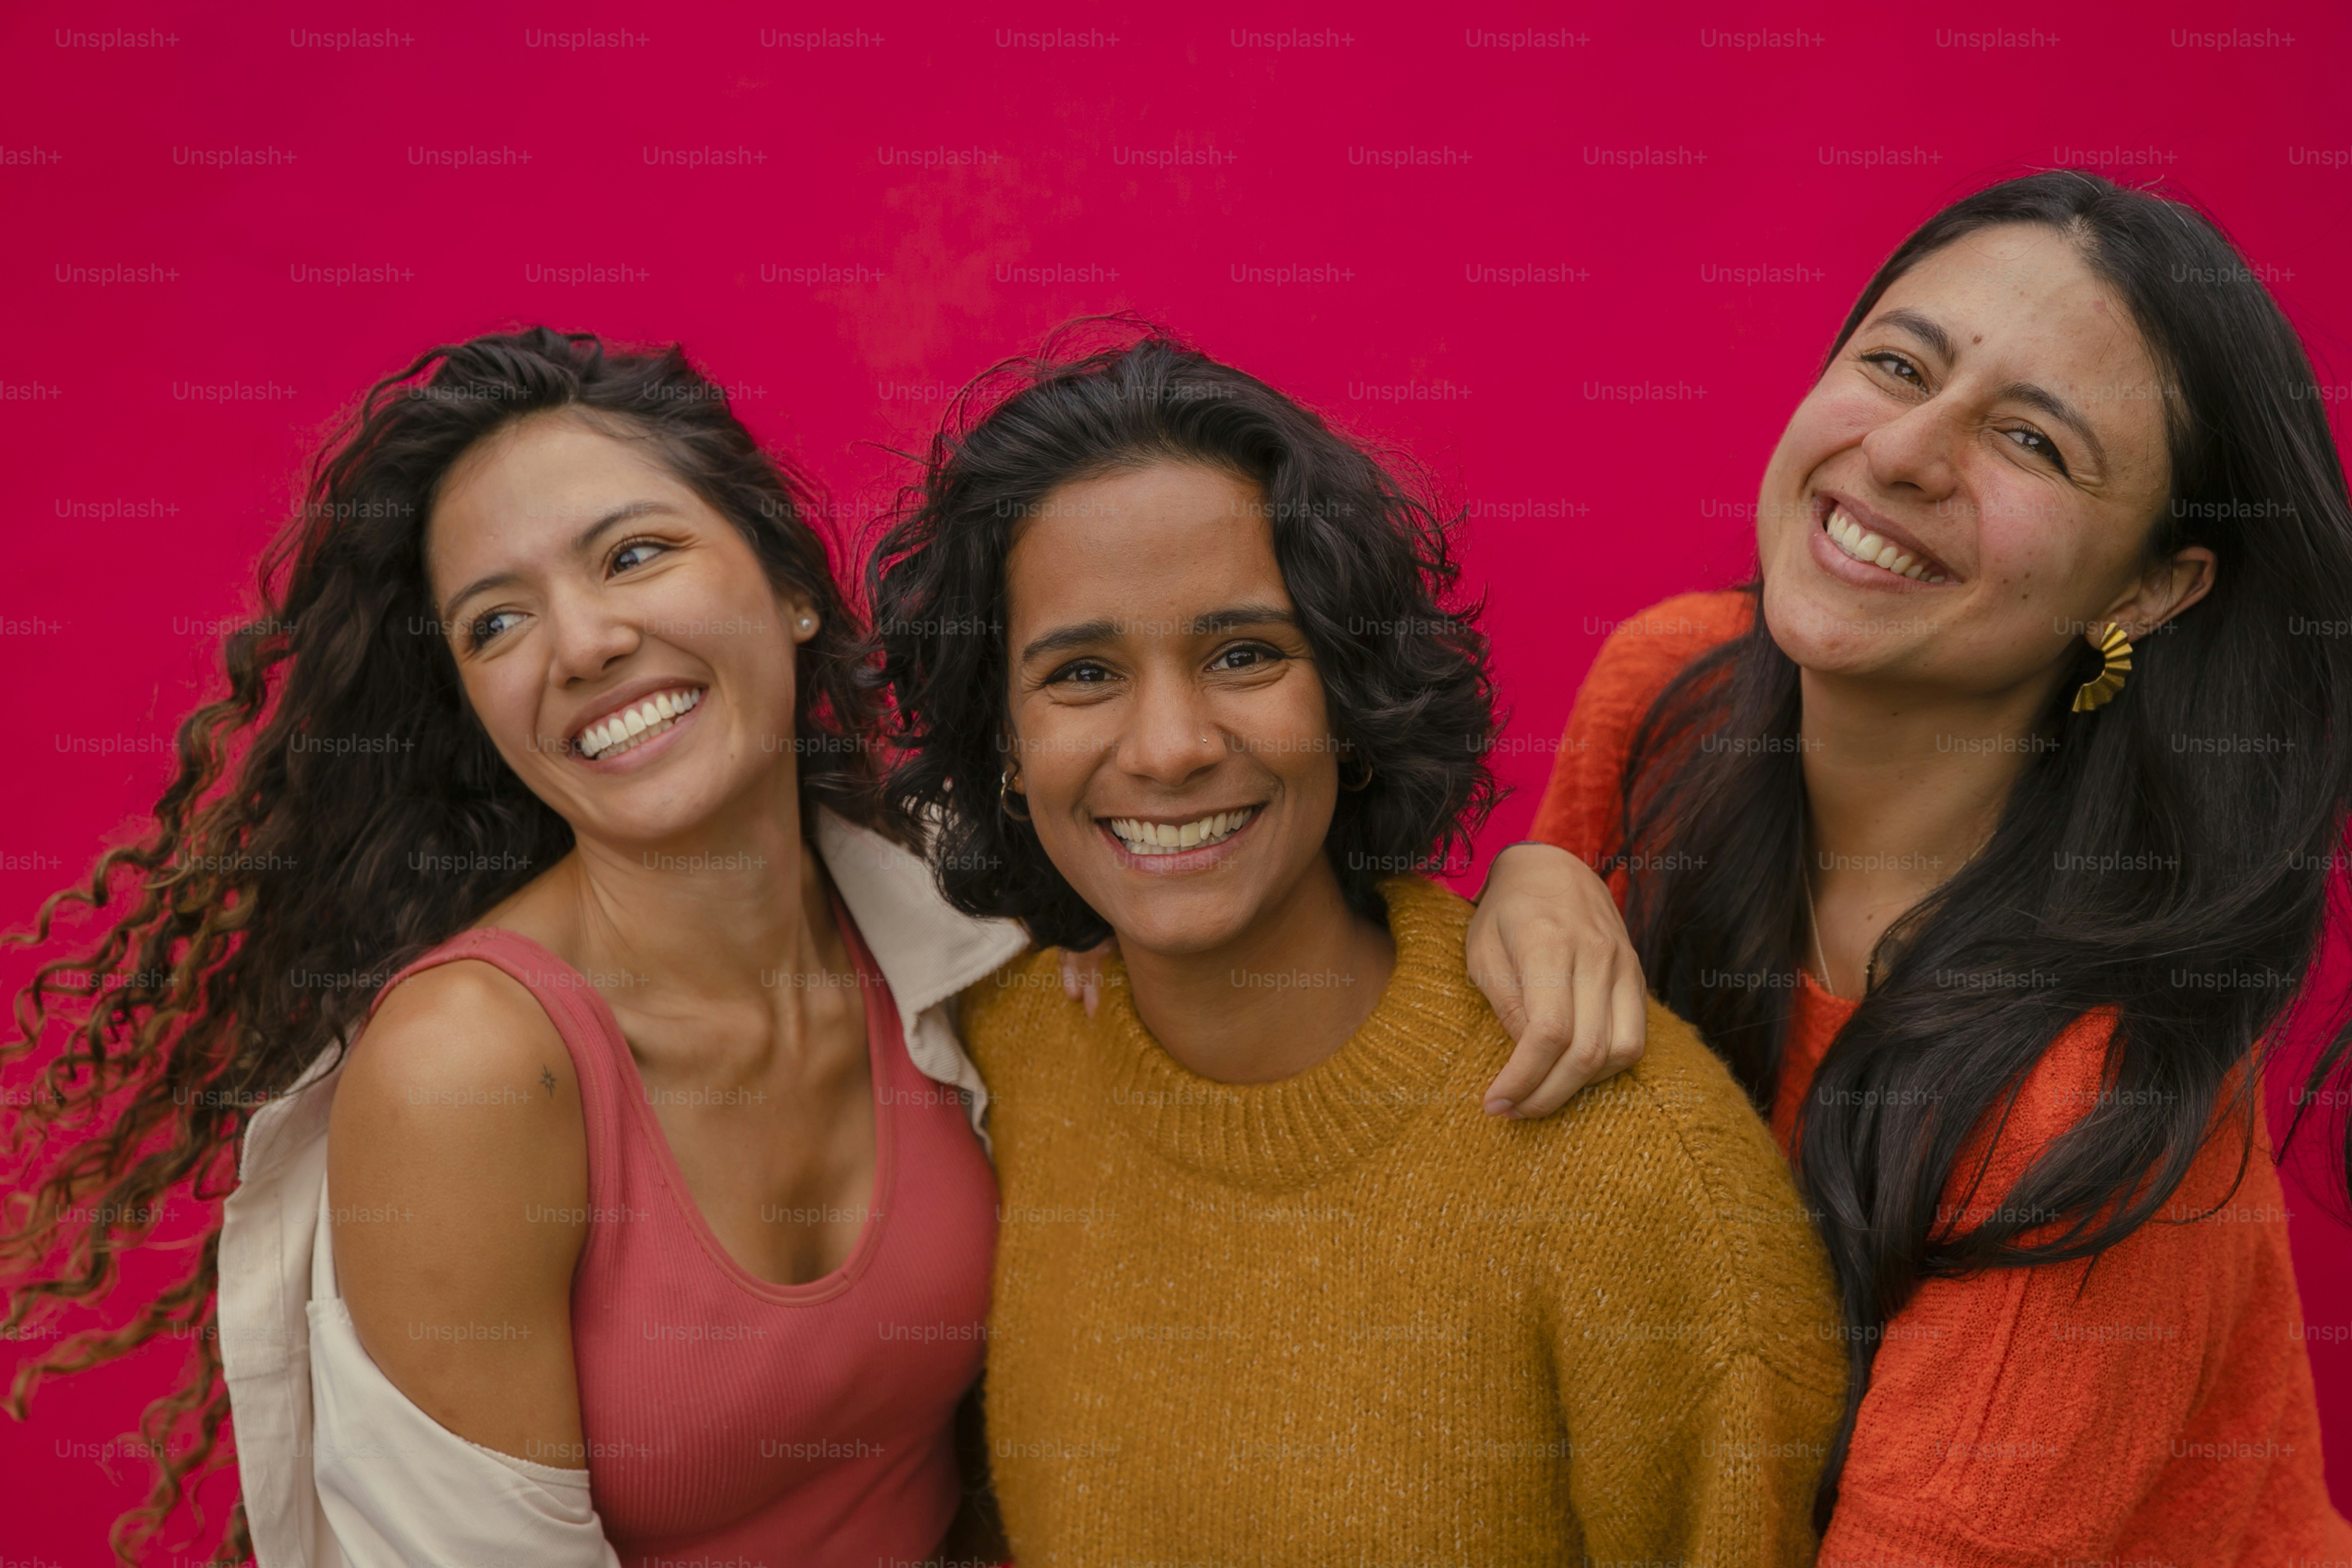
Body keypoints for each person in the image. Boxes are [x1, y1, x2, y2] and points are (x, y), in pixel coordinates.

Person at [0, 328, 1638, 1566]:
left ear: (787, 586)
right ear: (478, 708)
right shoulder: (476, 1071)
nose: (582, 641)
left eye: (633, 552)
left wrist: (1531, 886)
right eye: (496, 621)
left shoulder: (956, 921)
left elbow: (1237, 850)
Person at [1474, 171, 2352, 1560]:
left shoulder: (2089, 1090)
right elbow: (1508, 1209)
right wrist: (1519, 892)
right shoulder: (1665, 698)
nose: (1903, 453)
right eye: (1896, 363)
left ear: (2144, 591)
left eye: (2030, 442)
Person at [869, 330, 1849, 1564]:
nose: (1169, 745)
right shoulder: (988, 1046)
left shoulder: (1637, 1176)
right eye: (1080, 672)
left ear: (1350, 692)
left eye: (1244, 654)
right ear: (1002, 745)